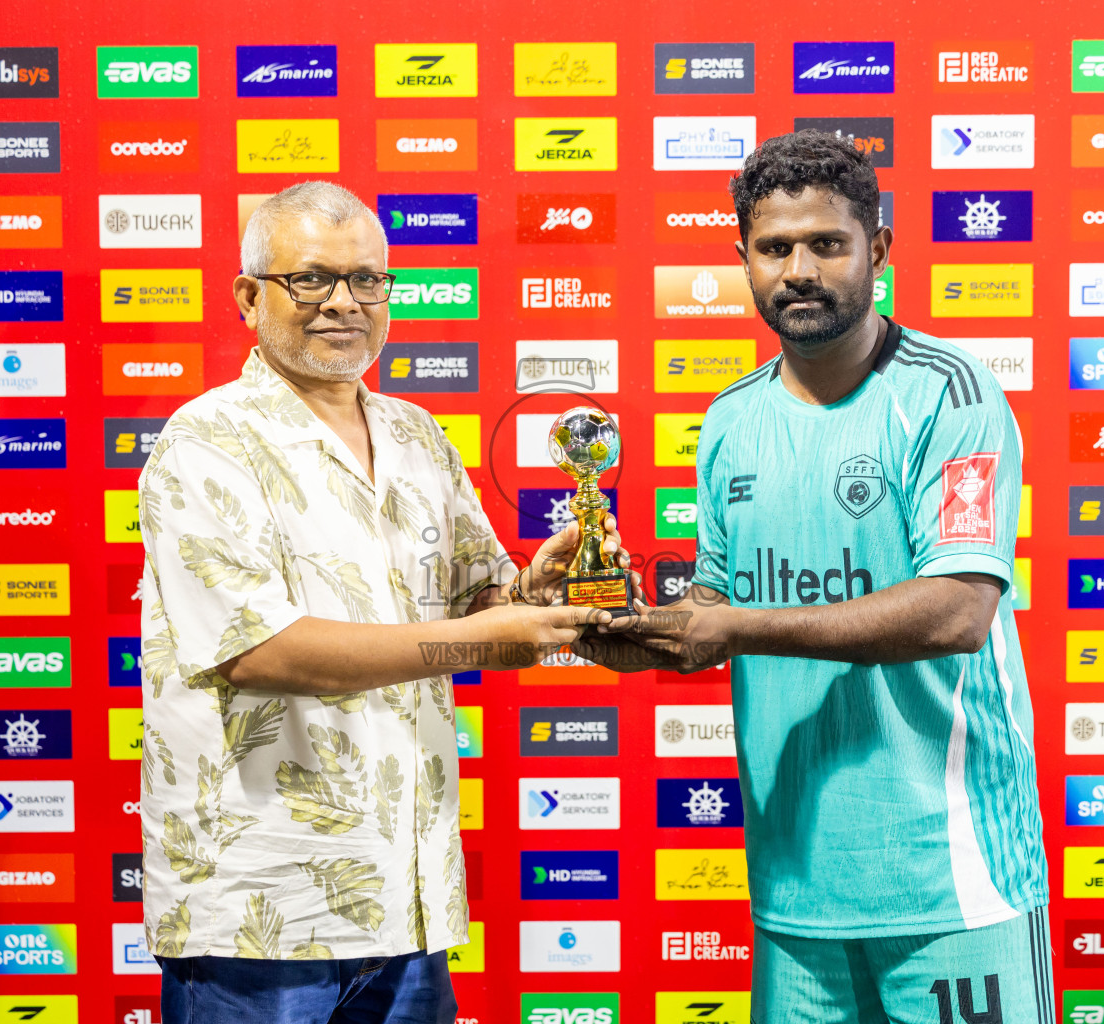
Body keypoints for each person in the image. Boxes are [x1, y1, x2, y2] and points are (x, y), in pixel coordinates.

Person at [577, 131, 1052, 1022]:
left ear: (880, 249)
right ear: (743, 261)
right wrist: (632, 636)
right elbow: (715, 612)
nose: (800, 269)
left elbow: (956, 611)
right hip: (795, 888)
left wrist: (733, 629)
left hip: (953, 880)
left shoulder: (952, 395)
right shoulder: (727, 422)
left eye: (827, 244)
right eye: (774, 248)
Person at [138, 181, 624, 1024]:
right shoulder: (204, 441)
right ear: (250, 298)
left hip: (410, 893)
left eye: (367, 280)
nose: (343, 303)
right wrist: (480, 641)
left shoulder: (415, 432)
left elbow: (479, 597)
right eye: (312, 279)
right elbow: (263, 651)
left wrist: (538, 586)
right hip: (264, 907)